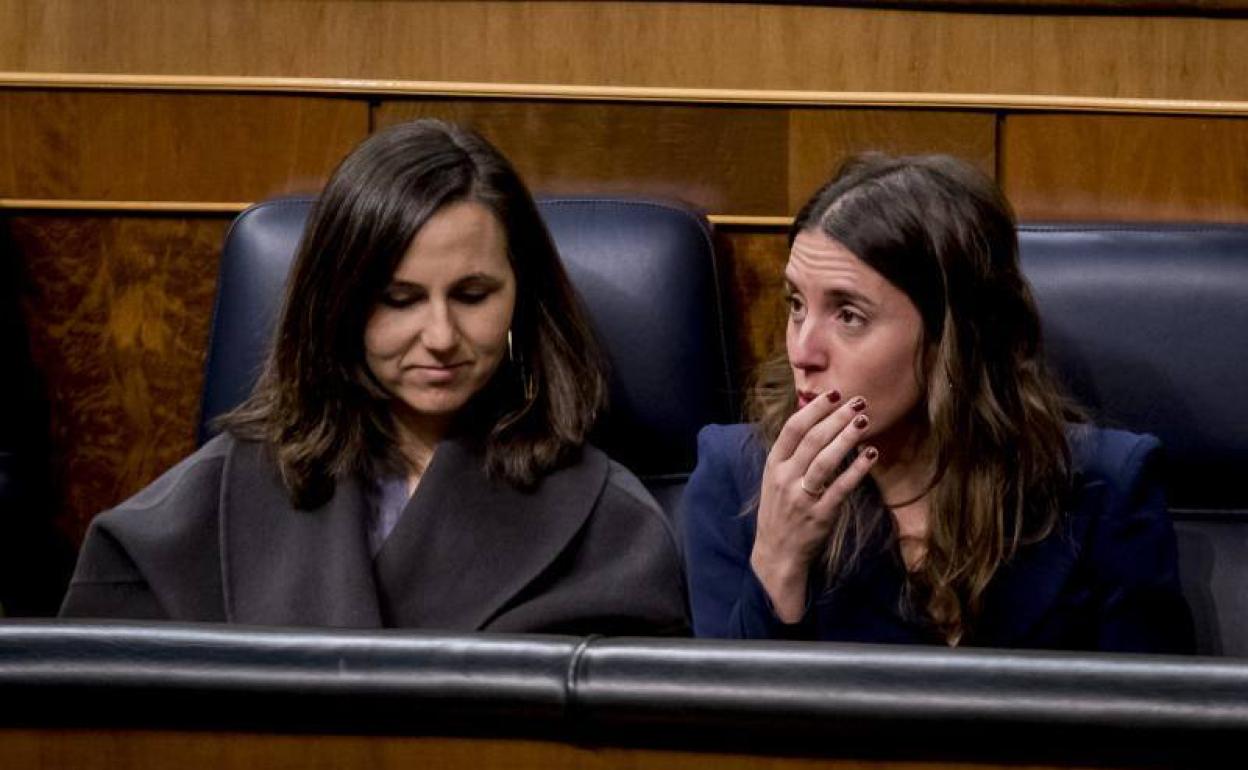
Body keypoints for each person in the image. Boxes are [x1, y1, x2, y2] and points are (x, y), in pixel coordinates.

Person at [60, 119, 688, 635]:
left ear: (521, 297)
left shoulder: (611, 524)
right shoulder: (213, 494)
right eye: (399, 298)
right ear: (339, 306)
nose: (441, 336)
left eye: (472, 295)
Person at [682, 153, 1193, 652]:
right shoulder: (741, 478)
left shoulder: (1102, 490)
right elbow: (720, 728)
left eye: (849, 315)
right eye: (796, 304)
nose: (802, 350)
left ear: (954, 337)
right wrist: (777, 561)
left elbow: (1153, 721)